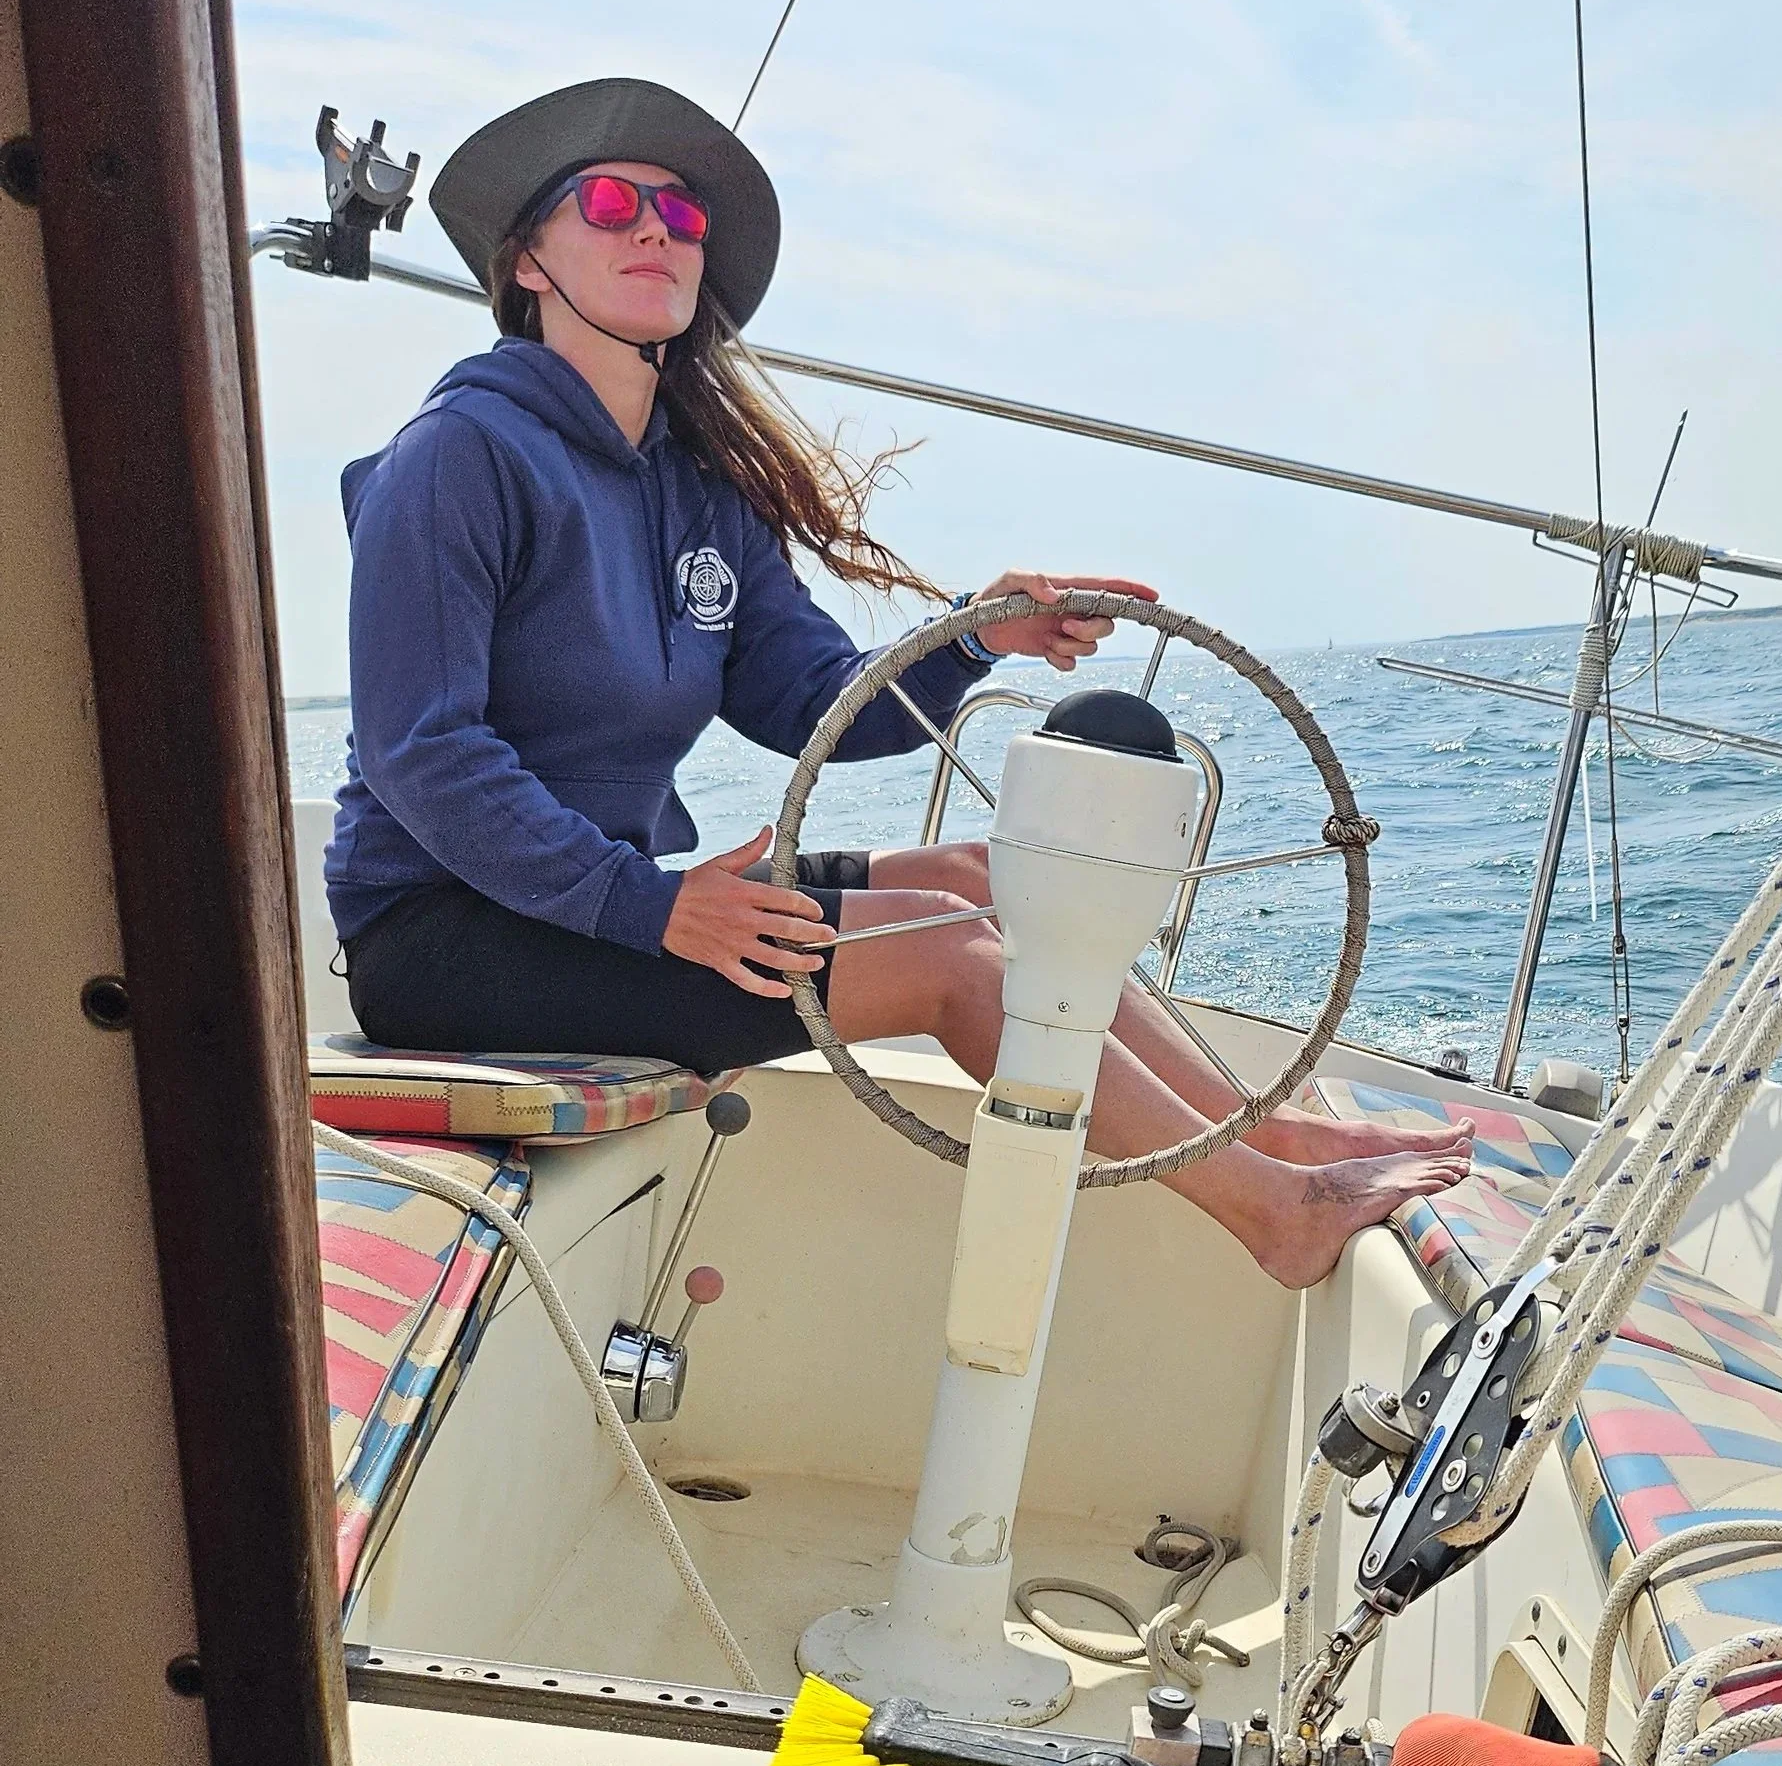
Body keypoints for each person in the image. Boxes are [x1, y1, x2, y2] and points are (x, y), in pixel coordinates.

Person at [326, 78, 1469, 1287]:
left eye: (682, 212)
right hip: (447, 936)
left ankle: (1273, 1130)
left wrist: (980, 636)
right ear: (530, 265)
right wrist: (651, 908)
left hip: (593, 906)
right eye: (611, 203)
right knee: (952, 960)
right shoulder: (456, 459)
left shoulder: (696, 488)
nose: (656, 226)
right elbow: (423, 752)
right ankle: (1274, 1213)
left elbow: (808, 701)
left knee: (987, 883)